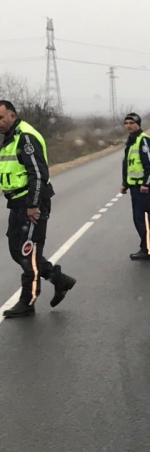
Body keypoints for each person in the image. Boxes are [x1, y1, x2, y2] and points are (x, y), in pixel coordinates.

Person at [0, 100, 76, 318]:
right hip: (16, 202)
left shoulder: (25, 136)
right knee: (18, 250)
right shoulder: (10, 138)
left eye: (1, 117)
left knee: (27, 252)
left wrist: (33, 205)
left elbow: (38, 174)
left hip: (31, 202)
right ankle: (59, 280)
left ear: (13, 116)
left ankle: (28, 301)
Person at [121, 113, 150, 260]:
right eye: (126, 123)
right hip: (135, 188)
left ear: (138, 124)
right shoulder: (131, 141)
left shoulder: (143, 141)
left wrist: (145, 183)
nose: (128, 125)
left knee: (143, 219)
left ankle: (148, 250)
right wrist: (125, 184)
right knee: (138, 220)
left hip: (144, 189)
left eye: (131, 122)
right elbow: (128, 165)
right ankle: (145, 247)